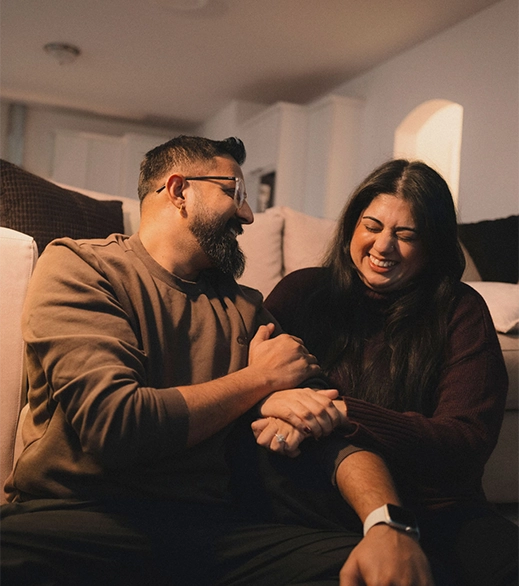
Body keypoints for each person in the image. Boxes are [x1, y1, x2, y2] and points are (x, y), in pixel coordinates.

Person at [0, 137, 435, 586]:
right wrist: (259, 383)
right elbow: (117, 424)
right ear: (178, 190)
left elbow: (333, 431)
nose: (246, 215)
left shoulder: (244, 308)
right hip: (77, 517)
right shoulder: (82, 267)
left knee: (369, 568)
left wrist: (385, 524)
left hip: (210, 533)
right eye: (234, 193)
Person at [252, 159, 519, 585]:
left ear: (432, 245)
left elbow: (464, 443)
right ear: (351, 228)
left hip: (440, 511)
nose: (383, 246)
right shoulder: (302, 292)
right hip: (319, 504)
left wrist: (333, 411)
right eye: (371, 226)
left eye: (406, 234)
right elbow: (249, 383)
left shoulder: (460, 310)